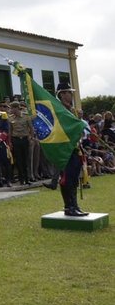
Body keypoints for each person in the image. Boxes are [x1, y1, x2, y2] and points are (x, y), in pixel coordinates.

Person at [54, 82, 89, 217]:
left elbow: (81, 130)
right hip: (65, 149)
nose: (71, 94)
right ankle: (69, 206)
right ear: (62, 94)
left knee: (74, 178)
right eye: (69, 92)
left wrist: (79, 120)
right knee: (66, 178)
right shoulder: (59, 110)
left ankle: (74, 205)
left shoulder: (73, 110)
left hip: (75, 148)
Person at [8, 100, 34, 185]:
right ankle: (21, 179)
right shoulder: (11, 118)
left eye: (12, 108)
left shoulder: (26, 116)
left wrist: (31, 138)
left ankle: (27, 178)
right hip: (16, 140)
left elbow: (31, 128)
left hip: (25, 139)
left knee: (26, 159)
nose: (11, 110)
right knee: (18, 160)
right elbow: (10, 131)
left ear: (16, 108)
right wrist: (10, 142)